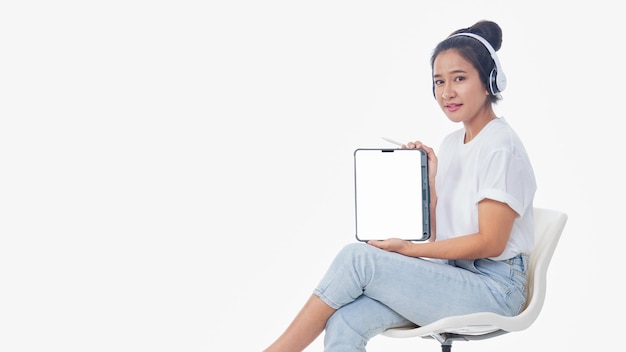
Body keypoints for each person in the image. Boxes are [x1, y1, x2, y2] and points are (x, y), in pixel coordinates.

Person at [263, 20, 536, 352]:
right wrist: (432, 185)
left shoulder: (500, 145)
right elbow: (444, 239)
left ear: (490, 81)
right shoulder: (452, 144)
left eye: (459, 79)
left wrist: (410, 250)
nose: (447, 92)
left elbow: (490, 243)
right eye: (439, 82)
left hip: (496, 289)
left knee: (357, 259)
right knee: (345, 320)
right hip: (457, 276)